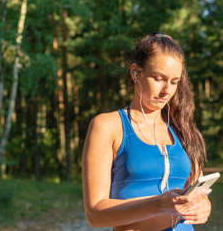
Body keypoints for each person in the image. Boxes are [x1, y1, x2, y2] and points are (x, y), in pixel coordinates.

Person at [82, 34, 212, 230]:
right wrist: (158, 205)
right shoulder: (108, 126)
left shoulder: (183, 129)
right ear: (135, 73)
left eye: (174, 82)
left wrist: (204, 207)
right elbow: (95, 214)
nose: (166, 90)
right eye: (158, 79)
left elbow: (197, 193)